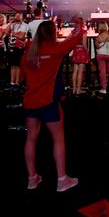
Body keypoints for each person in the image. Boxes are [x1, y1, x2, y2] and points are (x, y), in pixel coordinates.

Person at [22, 19, 84, 192]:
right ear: (52, 33)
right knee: (58, 139)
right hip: (48, 101)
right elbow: (77, 37)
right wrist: (78, 24)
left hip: (30, 101)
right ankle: (62, 179)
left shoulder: (29, 50)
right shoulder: (56, 49)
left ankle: (32, 178)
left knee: (31, 139)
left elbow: (22, 74)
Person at [7, 13, 29, 88]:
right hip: (11, 46)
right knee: (12, 65)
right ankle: (12, 82)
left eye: (19, 16)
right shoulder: (12, 25)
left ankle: (17, 82)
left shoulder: (24, 25)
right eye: (16, 15)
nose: (17, 17)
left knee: (18, 65)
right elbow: (7, 33)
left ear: (22, 17)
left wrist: (13, 34)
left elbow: (22, 37)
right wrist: (9, 24)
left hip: (19, 47)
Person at [94, 21, 109, 94]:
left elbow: (97, 47)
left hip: (101, 55)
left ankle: (104, 89)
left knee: (102, 72)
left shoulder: (98, 37)